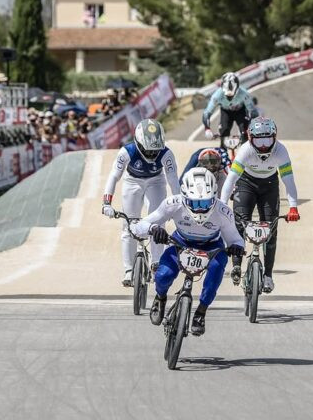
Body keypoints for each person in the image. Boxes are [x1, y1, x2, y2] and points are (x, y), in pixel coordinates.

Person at [134, 167, 244, 336]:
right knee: (163, 275)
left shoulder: (223, 212)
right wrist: (154, 228)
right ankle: (160, 297)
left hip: (212, 246)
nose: (200, 209)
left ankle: (201, 311)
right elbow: (140, 225)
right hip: (180, 242)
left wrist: (237, 248)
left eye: (205, 203)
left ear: (215, 197)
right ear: (184, 197)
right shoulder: (173, 203)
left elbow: (236, 240)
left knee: (216, 269)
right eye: (195, 203)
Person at [219, 116, 300, 293]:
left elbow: (289, 180)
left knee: (271, 229)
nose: (263, 145)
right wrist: (222, 206)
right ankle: (237, 265)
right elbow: (230, 180)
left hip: (269, 186)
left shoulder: (281, 151)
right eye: (259, 140)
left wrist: (293, 206)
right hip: (245, 184)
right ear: (250, 138)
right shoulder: (245, 151)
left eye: (267, 139)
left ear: (275, 137)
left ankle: (268, 276)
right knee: (239, 222)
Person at [102, 118, 179, 286]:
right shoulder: (126, 152)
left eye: (155, 151)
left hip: (156, 181)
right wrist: (106, 202)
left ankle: (156, 261)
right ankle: (128, 270)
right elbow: (114, 176)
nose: (152, 155)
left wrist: (178, 205)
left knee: (158, 221)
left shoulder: (167, 153)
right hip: (132, 182)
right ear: (138, 143)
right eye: (148, 150)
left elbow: (173, 180)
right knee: (128, 225)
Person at [202, 72, 257, 143]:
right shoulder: (217, 95)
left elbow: (253, 112)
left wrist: (251, 126)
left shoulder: (244, 94)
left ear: (237, 89)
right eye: (227, 96)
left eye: (232, 95)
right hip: (226, 112)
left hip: (241, 111)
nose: (230, 97)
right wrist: (207, 128)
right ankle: (223, 150)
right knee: (224, 132)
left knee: (245, 132)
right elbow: (207, 112)